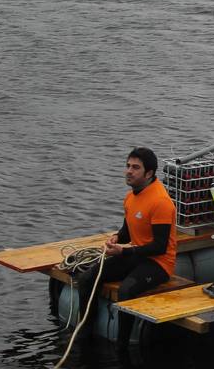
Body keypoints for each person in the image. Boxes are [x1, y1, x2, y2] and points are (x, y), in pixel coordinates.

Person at [75, 147, 178, 347]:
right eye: (128, 166)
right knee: (87, 278)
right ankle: (85, 332)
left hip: (158, 264)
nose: (129, 171)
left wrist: (124, 251)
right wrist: (116, 238)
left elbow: (160, 246)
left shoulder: (161, 202)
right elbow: (127, 232)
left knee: (126, 291)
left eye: (135, 168)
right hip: (137, 255)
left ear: (149, 173)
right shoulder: (131, 197)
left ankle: (122, 344)